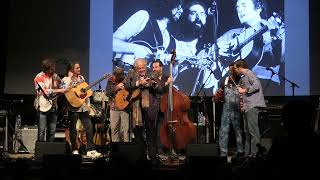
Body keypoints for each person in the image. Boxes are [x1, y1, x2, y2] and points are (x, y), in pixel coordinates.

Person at [217, 0, 285, 95]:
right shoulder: (231, 34)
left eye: (244, 5)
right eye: (237, 7)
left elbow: (282, 58)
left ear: (259, 7)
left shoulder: (275, 29)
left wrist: (276, 40)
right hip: (232, 88)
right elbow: (209, 56)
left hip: (263, 85)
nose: (239, 10)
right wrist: (218, 52)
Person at [113, 0, 183, 66]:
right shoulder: (143, 16)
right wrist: (136, 49)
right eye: (178, 6)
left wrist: (174, 66)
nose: (182, 11)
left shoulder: (167, 38)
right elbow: (111, 42)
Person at [172, 1, 215, 95]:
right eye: (193, 13)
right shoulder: (174, 43)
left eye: (202, 14)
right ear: (185, 17)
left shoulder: (210, 48)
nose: (198, 18)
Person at [61, 61, 102, 158]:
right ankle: (74, 149)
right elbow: (64, 89)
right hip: (73, 106)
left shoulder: (82, 78)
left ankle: (90, 150)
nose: (79, 69)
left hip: (83, 106)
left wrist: (86, 99)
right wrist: (70, 79)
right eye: (77, 68)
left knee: (89, 127)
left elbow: (85, 90)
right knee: (73, 129)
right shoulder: (65, 79)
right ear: (71, 70)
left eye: (79, 67)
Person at [233, 59, 266, 158]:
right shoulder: (243, 77)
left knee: (253, 131)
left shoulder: (250, 73)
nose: (235, 71)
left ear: (239, 67)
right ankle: (247, 153)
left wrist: (244, 90)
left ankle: (255, 153)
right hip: (247, 107)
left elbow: (257, 85)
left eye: (235, 68)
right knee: (247, 132)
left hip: (252, 105)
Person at [34, 58, 69, 142]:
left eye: (54, 68)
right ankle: (41, 151)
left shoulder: (55, 76)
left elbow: (63, 86)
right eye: (52, 68)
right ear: (46, 69)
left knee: (52, 131)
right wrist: (59, 90)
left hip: (53, 106)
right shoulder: (39, 77)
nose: (54, 70)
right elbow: (44, 91)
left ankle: (49, 151)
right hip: (43, 106)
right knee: (42, 130)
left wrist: (68, 84)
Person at [214, 62, 243, 158]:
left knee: (238, 130)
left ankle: (240, 151)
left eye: (233, 69)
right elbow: (221, 92)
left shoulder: (241, 80)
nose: (231, 71)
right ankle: (223, 152)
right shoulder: (225, 80)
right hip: (226, 109)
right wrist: (217, 95)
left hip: (237, 109)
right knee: (224, 130)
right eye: (230, 69)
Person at [105, 67, 130, 142]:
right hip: (114, 109)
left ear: (120, 76)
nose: (113, 77)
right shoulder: (110, 81)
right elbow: (107, 93)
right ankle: (116, 150)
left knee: (126, 131)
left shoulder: (127, 80)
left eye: (115, 76)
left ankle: (126, 150)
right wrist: (116, 87)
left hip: (125, 108)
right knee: (114, 129)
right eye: (113, 75)